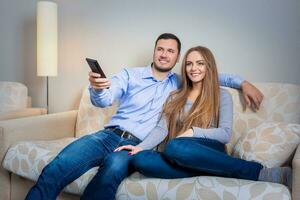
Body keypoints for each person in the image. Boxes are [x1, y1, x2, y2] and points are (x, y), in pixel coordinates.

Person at [25, 33, 264, 200]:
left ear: (176, 58)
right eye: (160, 49)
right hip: (108, 136)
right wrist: (98, 88)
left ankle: (239, 169)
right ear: (154, 51)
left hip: (139, 143)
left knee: (110, 171)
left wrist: (243, 83)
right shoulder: (132, 75)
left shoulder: (181, 83)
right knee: (59, 165)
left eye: (170, 51)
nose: (164, 54)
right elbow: (105, 99)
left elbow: (210, 75)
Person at [116, 46, 292, 189]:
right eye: (189, 64)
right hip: (181, 153)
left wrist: (192, 132)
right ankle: (213, 170)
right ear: (184, 68)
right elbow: (162, 128)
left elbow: (225, 134)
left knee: (175, 146)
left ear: (209, 67)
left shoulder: (221, 95)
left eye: (200, 63)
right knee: (141, 159)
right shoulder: (174, 96)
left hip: (207, 150)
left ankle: (256, 172)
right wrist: (139, 147)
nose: (194, 68)